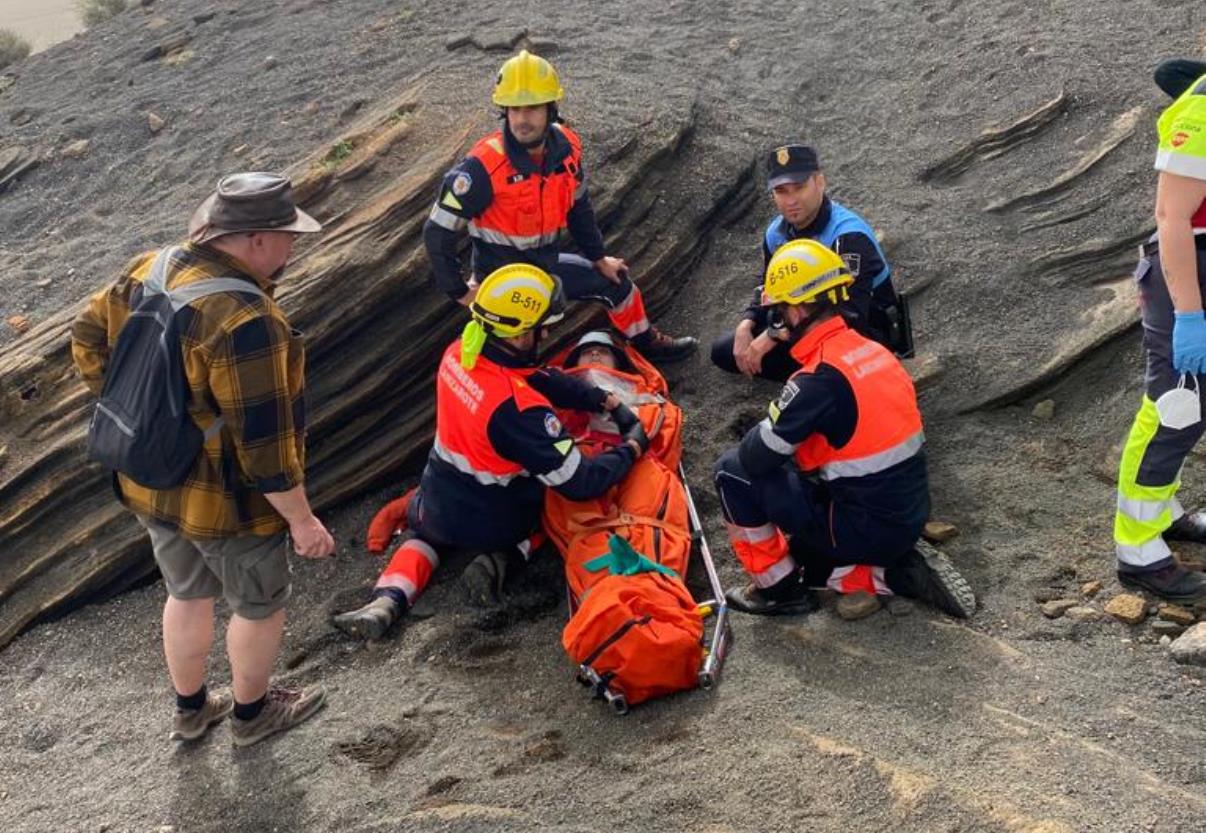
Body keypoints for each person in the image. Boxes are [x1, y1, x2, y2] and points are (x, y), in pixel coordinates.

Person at [71, 172, 333, 746]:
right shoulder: (248, 320)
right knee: (258, 605)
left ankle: (190, 712)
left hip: (150, 480)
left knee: (186, 592)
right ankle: (251, 716)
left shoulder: (150, 267)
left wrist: (136, 412)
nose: (292, 247)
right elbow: (266, 444)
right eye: (288, 236)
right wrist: (302, 520)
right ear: (257, 239)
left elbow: (85, 337)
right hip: (227, 500)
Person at [334, 264, 650, 638]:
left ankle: (388, 598)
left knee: (422, 536)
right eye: (542, 327)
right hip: (497, 520)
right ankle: (506, 557)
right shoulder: (521, 411)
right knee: (555, 508)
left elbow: (535, 376)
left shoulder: (460, 352)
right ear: (519, 335)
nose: (547, 332)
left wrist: (601, 399)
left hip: (435, 501)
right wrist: (631, 447)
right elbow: (580, 481)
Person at [712, 239, 974, 617]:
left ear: (795, 310)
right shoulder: (872, 351)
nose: (775, 321)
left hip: (862, 526)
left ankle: (780, 592)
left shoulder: (816, 379)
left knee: (731, 471)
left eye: (778, 312)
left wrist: (772, 418)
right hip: (907, 511)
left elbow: (754, 458)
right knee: (803, 544)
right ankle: (896, 570)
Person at [423, 49, 697, 363]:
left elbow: (579, 207)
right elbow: (437, 232)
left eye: (532, 108)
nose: (522, 119)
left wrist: (598, 258)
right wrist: (461, 292)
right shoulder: (482, 167)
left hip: (546, 267)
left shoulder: (567, 149)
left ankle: (647, 343)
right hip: (504, 283)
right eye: (514, 109)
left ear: (551, 108)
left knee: (619, 285)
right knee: (521, 349)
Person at [1111, 61, 1206, 602]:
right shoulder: (1202, 109)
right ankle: (1138, 550)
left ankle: (1162, 511)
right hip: (1187, 275)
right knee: (1175, 406)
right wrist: (1190, 315)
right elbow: (1172, 218)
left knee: (1195, 406)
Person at [711, 144, 909, 382]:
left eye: (799, 187)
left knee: (808, 367)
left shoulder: (848, 237)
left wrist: (773, 334)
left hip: (863, 332)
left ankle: (815, 383)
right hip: (803, 317)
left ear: (820, 182)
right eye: (781, 191)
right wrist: (747, 322)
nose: (791, 200)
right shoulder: (776, 233)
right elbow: (770, 287)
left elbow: (850, 316)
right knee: (725, 350)